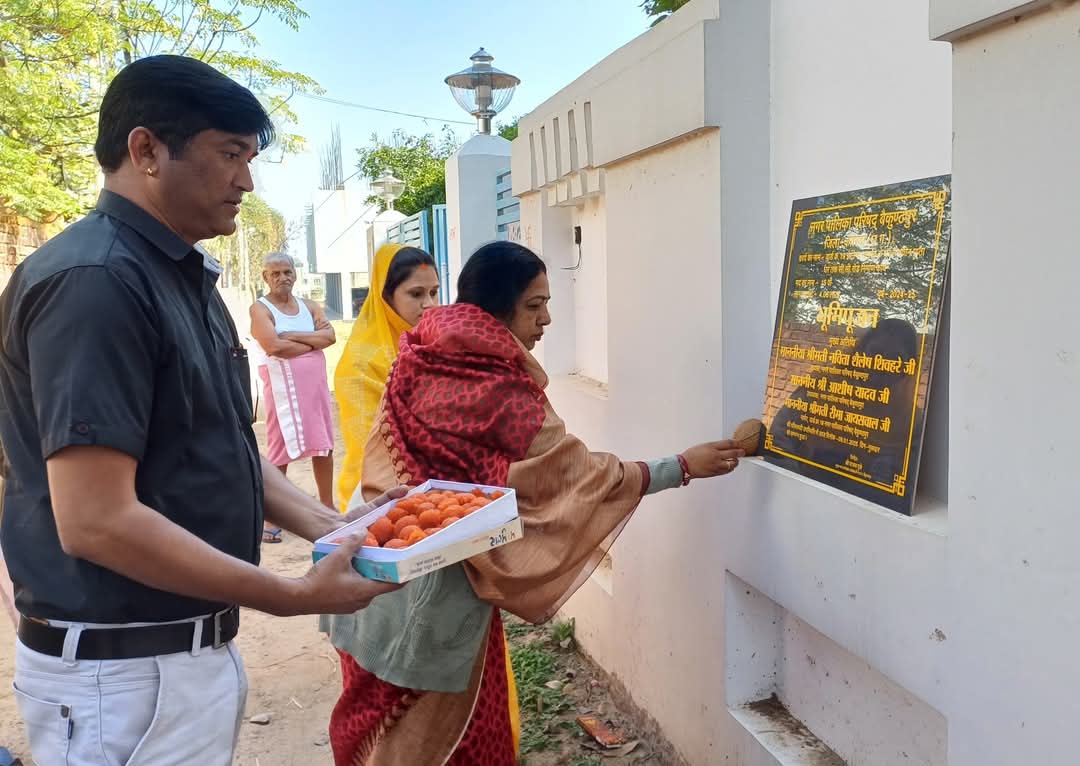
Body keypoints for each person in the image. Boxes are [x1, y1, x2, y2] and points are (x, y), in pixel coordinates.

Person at [0, 54, 400, 766]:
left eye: (250, 159)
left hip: (181, 657)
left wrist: (341, 528)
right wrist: (291, 593)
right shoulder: (97, 281)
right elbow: (96, 520)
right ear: (146, 150)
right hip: (119, 674)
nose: (246, 181)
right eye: (230, 154)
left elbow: (223, 449)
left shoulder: (181, 276)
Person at [323, 241, 745, 765]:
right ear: (498, 308)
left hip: (372, 575)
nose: (546, 319)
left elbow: (386, 467)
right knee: (452, 748)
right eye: (534, 305)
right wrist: (681, 466)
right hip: (437, 611)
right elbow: (583, 479)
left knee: (374, 737)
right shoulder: (504, 392)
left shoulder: (416, 354)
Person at [333, 243, 439, 512]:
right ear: (386, 296)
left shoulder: (435, 346)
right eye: (416, 294)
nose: (429, 304)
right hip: (377, 498)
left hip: (437, 491)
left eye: (434, 292)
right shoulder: (361, 363)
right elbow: (372, 449)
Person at [250, 251, 338, 541]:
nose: (282, 278)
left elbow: (330, 337)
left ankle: (328, 506)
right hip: (281, 388)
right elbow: (274, 347)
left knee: (324, 444)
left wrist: (292, 336)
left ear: (295, 274)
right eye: (275, 273)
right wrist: (313, 343)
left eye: (287, 272)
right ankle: (270, 518)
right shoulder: (260, 309)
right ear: (265, 277)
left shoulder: (309, 306)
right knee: (280, 447)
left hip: (315, 387)